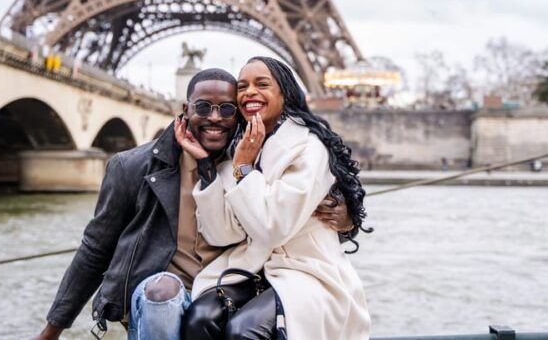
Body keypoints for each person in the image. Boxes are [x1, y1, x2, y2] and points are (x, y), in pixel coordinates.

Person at [33, 68, 351, 340]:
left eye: (227, 109)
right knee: (164, 294)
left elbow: (290, 218)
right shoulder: (133, 167)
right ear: (186, 109)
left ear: (239, 115)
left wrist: (346, 217)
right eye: (203, 107)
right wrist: (53, 329)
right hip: (163, 293)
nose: (215, 118)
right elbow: (95, 249)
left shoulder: (250, 161)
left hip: (230, 288)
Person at [174, 57, 371, 340]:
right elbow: (222, 234)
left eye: (262, 84)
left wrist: (244, 169)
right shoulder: (237, 149)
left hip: (305, 271)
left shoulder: (308, 148)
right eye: (243, 86)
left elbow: (273, 229)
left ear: (285, 94)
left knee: (244, 331)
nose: (249, 92)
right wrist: (207, 167)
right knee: (199, 319)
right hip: (251, 269)